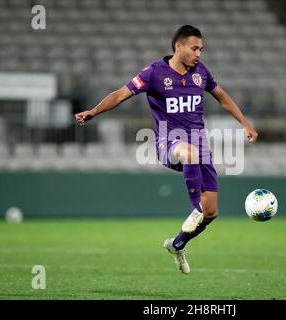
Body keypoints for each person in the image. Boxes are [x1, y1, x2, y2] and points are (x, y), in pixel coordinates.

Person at [75, 25, 258, 274]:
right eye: (194, 48)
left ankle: (177, 244)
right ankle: (195, 208)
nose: (199, 54)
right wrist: (94, 111)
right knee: (193, 169)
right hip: (169, 143)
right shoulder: (154, 73)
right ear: (178, 46)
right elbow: (120, 94)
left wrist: (245, 124)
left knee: (212, 212)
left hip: (199, 145)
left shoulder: (200, 72)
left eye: (201, 49)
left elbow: (222, 96)